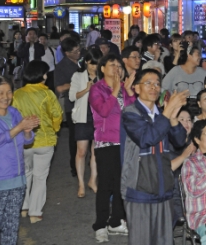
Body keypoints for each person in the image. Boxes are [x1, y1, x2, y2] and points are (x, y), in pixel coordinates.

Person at [120, 69, 189, 245]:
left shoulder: (161, 115)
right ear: (136, 88)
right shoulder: (131, 112)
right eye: (148, 83)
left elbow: (180, 141)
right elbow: (146, 138)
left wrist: (173, 118)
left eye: (157, 83)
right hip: (140, 188)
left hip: (163, 188)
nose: (154, 87)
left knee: (164, 241)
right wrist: (167, 113)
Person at [0, 76, 39, 244]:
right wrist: (19, 127)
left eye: (8, 92)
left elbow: (26, 141)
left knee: (11, 228)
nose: (5, 96)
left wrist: (27, 130)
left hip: (16, 180)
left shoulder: (14, 112)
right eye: (0, 92)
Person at [89, 54, 136, 242]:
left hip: (125, 141)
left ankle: (116, 220)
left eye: (119, 65)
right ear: (102, 68)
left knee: (121, 184)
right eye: (112, 65)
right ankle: (100, 223)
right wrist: (116, 90)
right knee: (106, 185)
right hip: (106, 142)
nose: (116, 68)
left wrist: (130, 92)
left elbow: (134, 112)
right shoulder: (97, 89)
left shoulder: (124, 88)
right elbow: (103, 111)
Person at [12, 60, 63, 223]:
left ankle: (24, 207)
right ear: (41, 75)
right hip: (45, 141)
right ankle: (35, 212)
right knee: (40, 177)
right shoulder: (48, 93)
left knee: (25, 174)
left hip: (24, 141)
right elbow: (57, 114)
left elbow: (13, 117)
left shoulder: (18, 94)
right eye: (45, 73)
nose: (47, 76)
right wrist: (54, 130)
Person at [70, 49, 101, 198]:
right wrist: (86, 89)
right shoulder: (78, 76)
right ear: (87, 62)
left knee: (96, 151)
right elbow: (72, 96)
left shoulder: (102, 76)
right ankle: (81, 183)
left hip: (99, 117)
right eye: (92, 63)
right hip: (83, 117)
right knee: (81, 151)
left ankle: (92, 180)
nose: (94, 67)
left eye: (97, 63)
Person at [54, 37, 82, 177]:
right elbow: (59, 88)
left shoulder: (81, 62)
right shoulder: (62, 67)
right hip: (73, 106)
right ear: (66, 53)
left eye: (78, 49)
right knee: (75, 137)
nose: (78, 52)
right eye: (75, 51)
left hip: (87, 104)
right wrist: (78, 83)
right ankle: (74, 166)